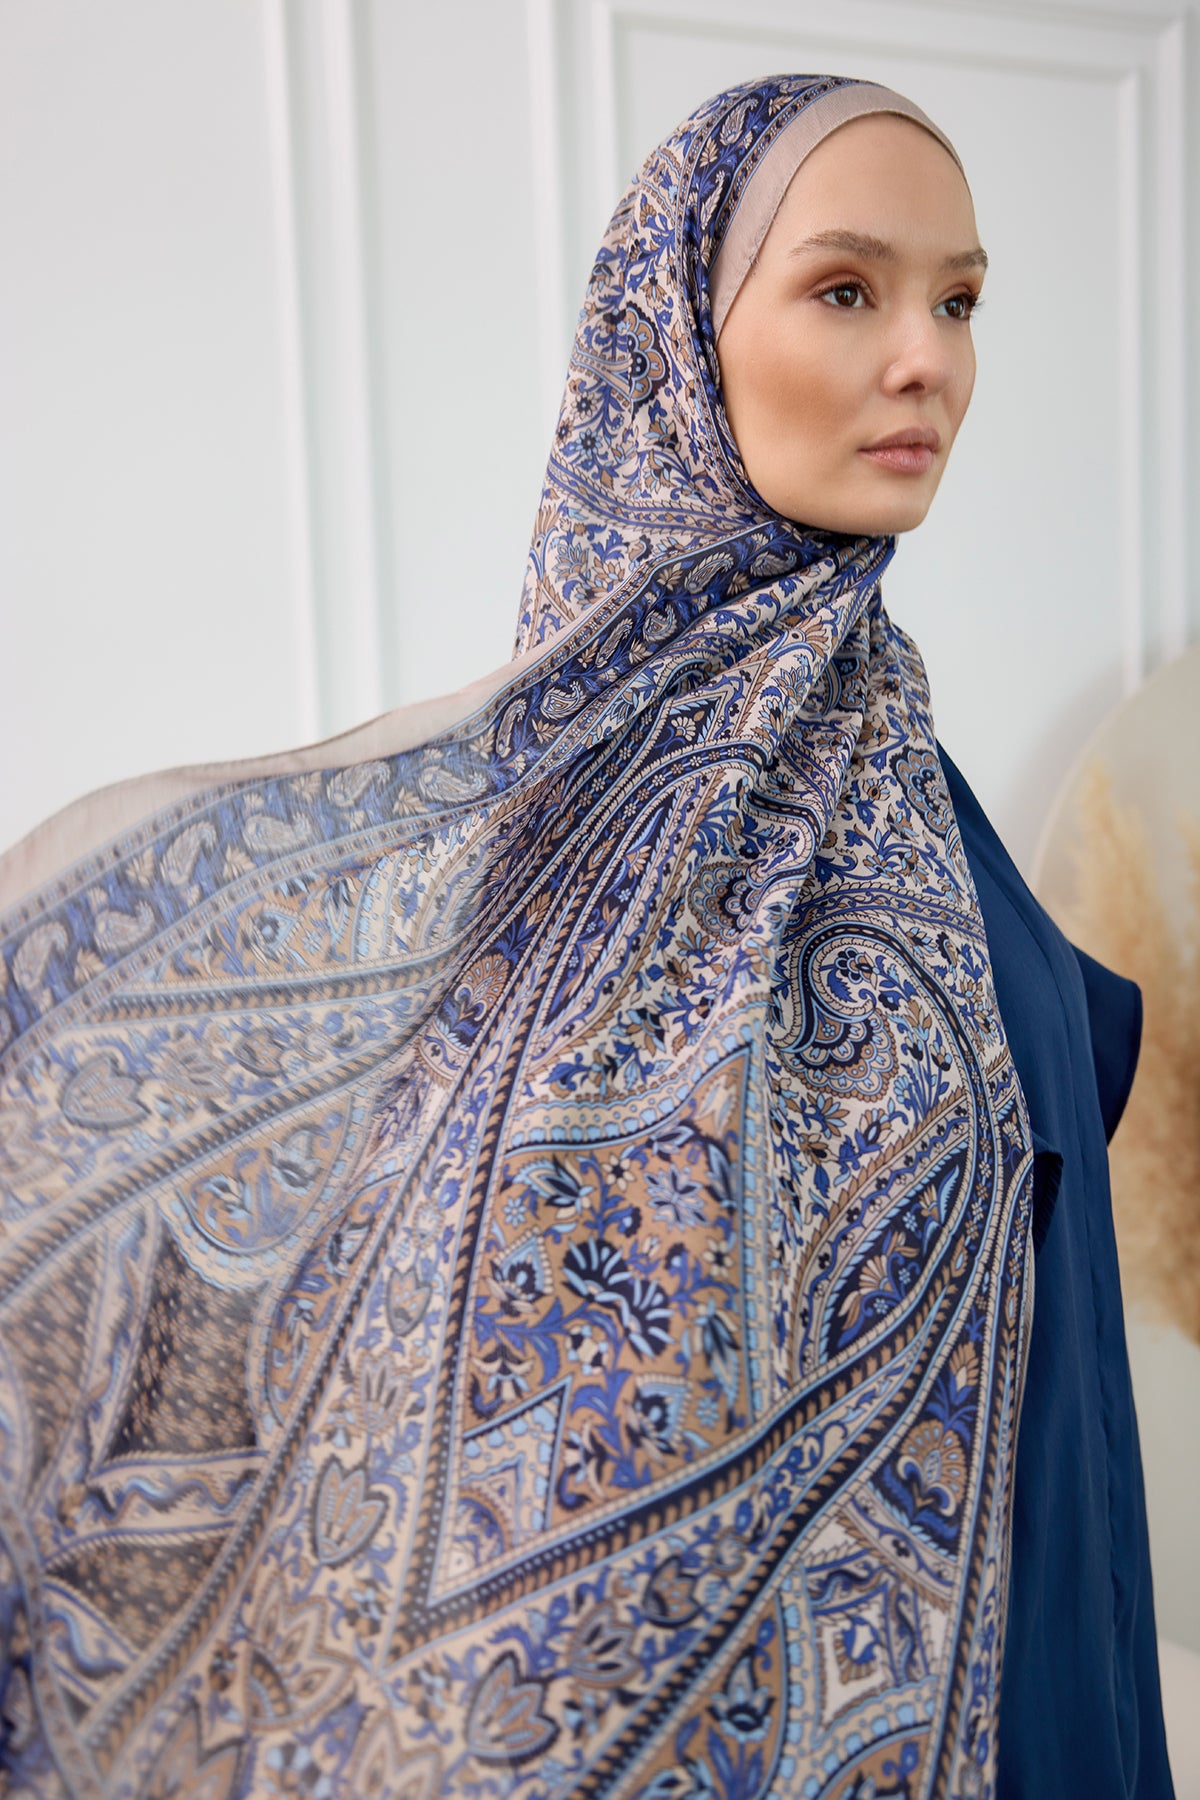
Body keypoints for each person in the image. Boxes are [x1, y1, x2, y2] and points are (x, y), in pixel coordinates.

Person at [0, 72, 1174, 1799]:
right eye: (847, 289)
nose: (927, 359)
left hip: (1040, 1626)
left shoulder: (897, 769)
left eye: (961, 301)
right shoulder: (560, 839)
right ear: (678, 342)